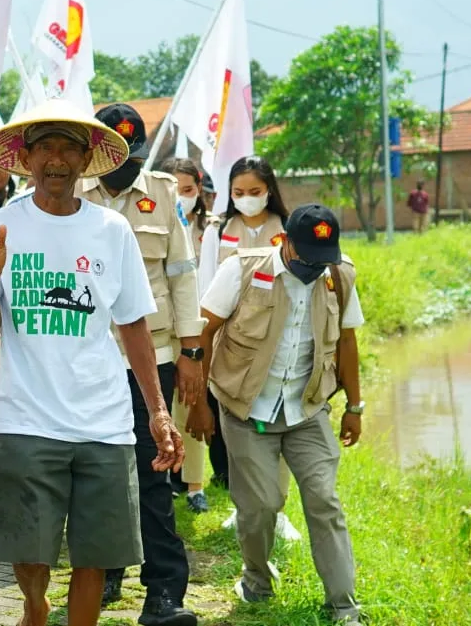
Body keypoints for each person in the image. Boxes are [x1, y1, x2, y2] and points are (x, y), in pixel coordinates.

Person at [0, 98, 186, 626]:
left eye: (69, 148)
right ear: (26, 158)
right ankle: (35, 606)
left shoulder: (112, 229)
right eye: (45, 147)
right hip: (25, 419)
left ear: (86, 160)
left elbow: (133, 324)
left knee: (95, 555)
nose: (56, 159)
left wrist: (158, 411)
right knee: (29, 554)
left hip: (103, 422)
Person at [191, 205, 366, 626]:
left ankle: (343, 606)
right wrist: (199, 404)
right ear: (284, 241)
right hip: (246, 409)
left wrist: (354, 406)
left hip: (306, 408)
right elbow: (204, 332)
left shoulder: (338, 275)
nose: (312, 267)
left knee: (324, 501)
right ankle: (256, 579)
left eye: (320, 258)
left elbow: (347, 341)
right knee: (260, 506)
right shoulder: (242, 270)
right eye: (305, 256)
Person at [77, 105, 201, 624]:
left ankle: (165, 591)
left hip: (154, 355)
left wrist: (192, 352)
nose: (126, 168)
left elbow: (182, 275)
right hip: (86, 358)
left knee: (152, 474)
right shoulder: (70, 192)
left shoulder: (163, 193)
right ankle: (105, 570)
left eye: (134, 158)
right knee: (98, 472)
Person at [193, 157, 298, 542]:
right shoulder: (218, 230)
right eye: (239, 192)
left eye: (255, 192)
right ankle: (243, 509)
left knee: (279, 426)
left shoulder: (287, 229)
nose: (247, 199)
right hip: (231, 344)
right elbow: (205, 288)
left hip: (279, 343)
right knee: (236, 431)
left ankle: (279, 511)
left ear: (270, 190)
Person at [157, 157, 215, 507]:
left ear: (199, 189)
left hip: (199, 327)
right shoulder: (155, 221)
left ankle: (195, 485)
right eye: (175, 189)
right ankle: (163, 479)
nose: (181, 196)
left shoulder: (211, 228)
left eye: (188, 189)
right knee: (159, 408)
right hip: (163, 325)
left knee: (190, 402)